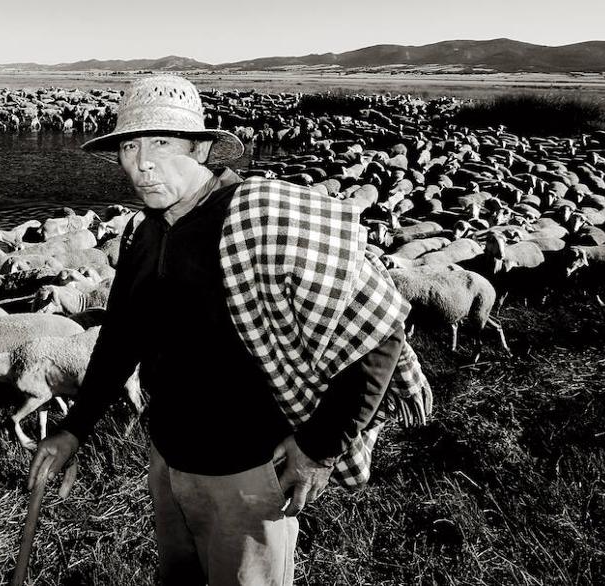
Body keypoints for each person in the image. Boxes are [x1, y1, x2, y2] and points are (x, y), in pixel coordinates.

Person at [27, 74, 431, 586]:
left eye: (162, 142)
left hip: (252, 468)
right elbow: (121, 338)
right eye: (131, 145)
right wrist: (74, 427)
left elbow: (378, 333)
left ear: (199, 148)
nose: (143, 162)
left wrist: (319, 448)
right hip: (170, 458)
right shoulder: (146, 231)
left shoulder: (261, 214)